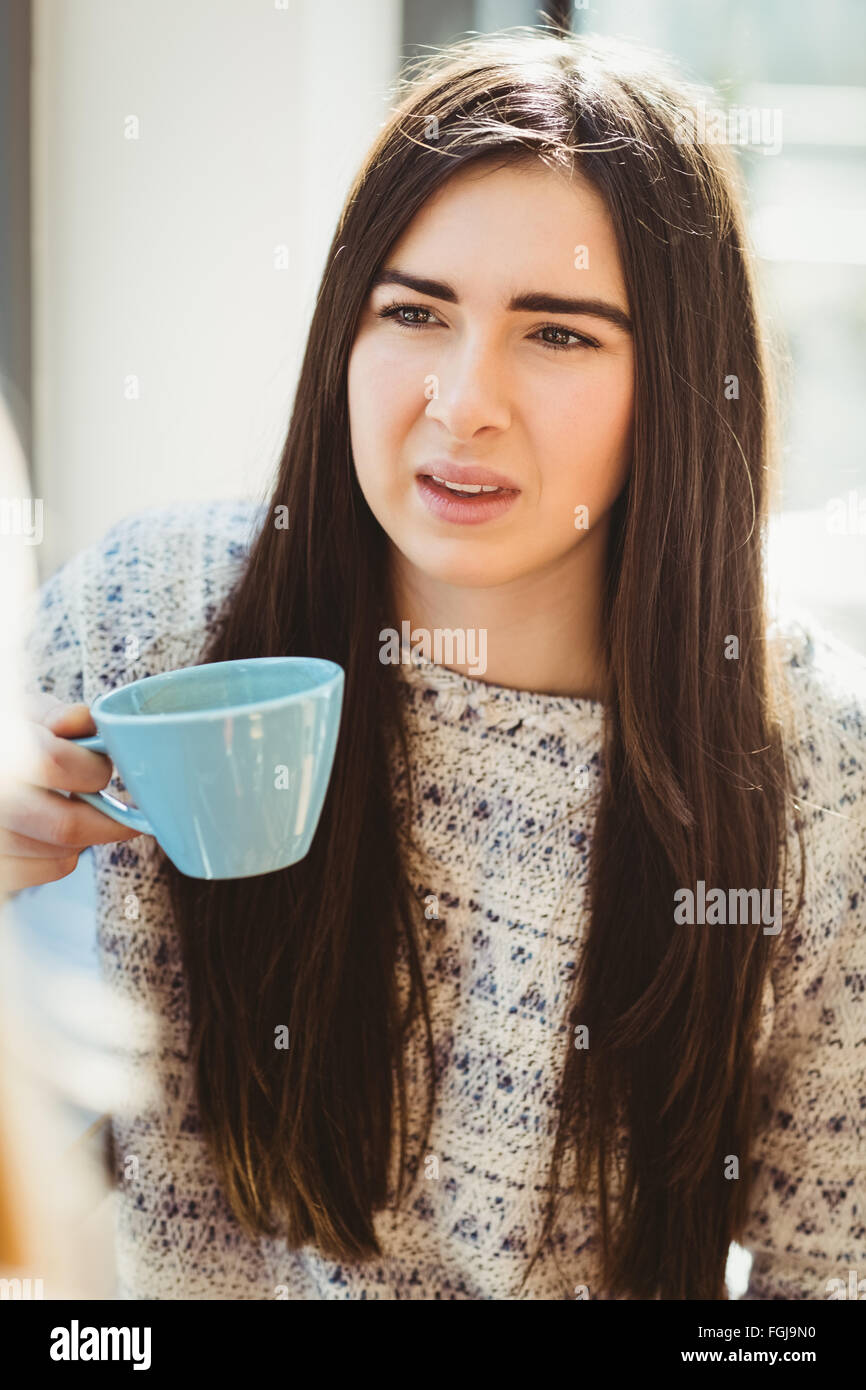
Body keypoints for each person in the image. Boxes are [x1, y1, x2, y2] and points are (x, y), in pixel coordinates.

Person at [7, 29, 865, 1300]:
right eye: (412, 312)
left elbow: (822, 1276)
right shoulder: (148, 623)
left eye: (558, 335)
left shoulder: (813, 774)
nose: (461, 402)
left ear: (676, 383)